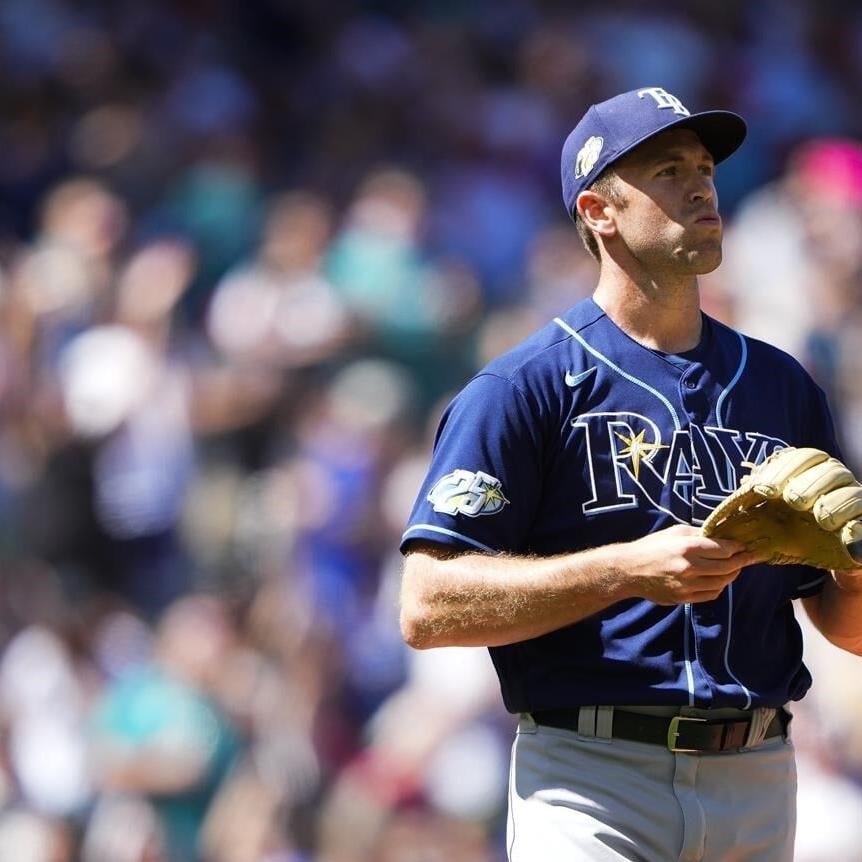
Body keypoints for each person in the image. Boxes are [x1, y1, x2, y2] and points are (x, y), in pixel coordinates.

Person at [398, 86, 862, 862]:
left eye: (705, 167)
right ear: (599, 210)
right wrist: (622, 570)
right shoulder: (525, 387)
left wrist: (852, 568)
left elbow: (848, 630)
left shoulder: (783, 388)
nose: (701, 184)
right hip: (591, 780)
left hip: (759, 776)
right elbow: (427, 604)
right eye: (668, 169)